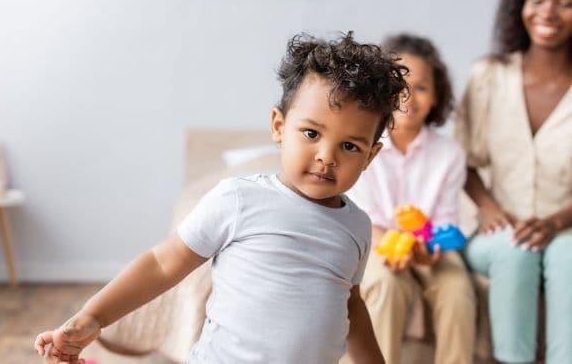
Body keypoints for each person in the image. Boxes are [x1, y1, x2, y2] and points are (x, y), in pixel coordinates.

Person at [34, 32, 408, 364]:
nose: (327, 156)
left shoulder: (357, 224)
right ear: (279, 127)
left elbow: (350, 304)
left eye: (348, 145)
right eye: (311, 134)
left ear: (370, 155)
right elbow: (163, 264)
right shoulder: (239, 199)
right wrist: (92, 317)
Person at [456, 0, 572, 363]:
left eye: (566, 1)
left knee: (567, 256)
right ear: (520, 4)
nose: (548, 12)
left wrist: (555, 222)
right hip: (499, 229)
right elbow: (462, 161)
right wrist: (488, 208)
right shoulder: (489, 75)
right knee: (515, 250)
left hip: (568, 228)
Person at [348, 34, 476, 364]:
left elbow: (445, 219)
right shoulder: (363, 145)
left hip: (428, 241)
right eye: (399, 85)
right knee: (385, 283)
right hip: (377, 240)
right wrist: (391, 244)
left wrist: (428, 250)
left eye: (421, 87)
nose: (409, 96)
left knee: (457, 289)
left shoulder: (449, 154)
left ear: (437, 96)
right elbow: (361, 216)